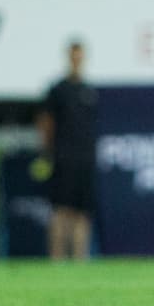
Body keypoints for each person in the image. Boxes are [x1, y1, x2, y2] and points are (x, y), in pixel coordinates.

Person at [35, 39, 97, 260]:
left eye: (80, 55)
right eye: (73, 55)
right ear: (68, 57)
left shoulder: (89, 90)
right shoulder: (57, 90)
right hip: (63, 158)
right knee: (61, 210)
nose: (76, 59)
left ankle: (80, 260)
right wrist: (46, 152)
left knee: (83, 213)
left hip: (85, 159)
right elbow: (46, 122)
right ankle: (57, 259)